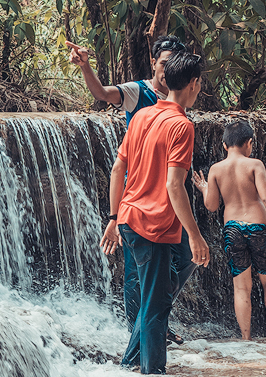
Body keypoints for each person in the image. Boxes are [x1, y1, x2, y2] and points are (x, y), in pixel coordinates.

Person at [73, 35, 194, 341]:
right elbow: (102, 93)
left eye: (172, 65)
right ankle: (138, 332)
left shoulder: (180, 97)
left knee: (187, 256)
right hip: (141, 193)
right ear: (154, 63)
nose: (166, 71)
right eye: (163, 64)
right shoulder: (136, 92)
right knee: (135, 273)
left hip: (169, 193)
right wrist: (87, 67)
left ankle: (152, 320)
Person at [100, 49, 209, 375]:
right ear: (192, 84)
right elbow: (175, 186)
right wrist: (195, 234)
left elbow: (118, 169)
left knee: (155, 296)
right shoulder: (181, 126)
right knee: (158, 305)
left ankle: (131, 365)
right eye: (199, 83)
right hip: (154, 225)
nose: (200, 88)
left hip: (130, 219)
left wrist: (114, 217)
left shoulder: (143, 115)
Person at [191, 119, 266, 341]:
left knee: (241, 287)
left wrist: (205, 188)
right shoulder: (255, 165)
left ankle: (245, 338)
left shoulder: (216, 169)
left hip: (232, 229)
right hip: (258, 228)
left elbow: (212, 206)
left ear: (224, 145)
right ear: (249, 143)